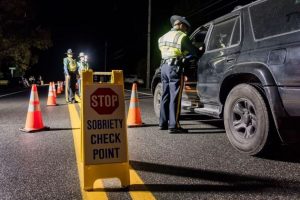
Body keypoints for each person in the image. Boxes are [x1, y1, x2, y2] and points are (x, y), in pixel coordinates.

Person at [158, 15, 202, 133]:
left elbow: (172, 51)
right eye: (186, 28)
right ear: (181, 25)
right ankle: (174, 126)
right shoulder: (182, 37)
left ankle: (162, 123)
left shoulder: (162, 38)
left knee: (165, 95)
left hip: (163, 68)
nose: (186, 31)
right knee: (175, 97)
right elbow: (195, 52)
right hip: (174, 68)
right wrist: (200, 49)